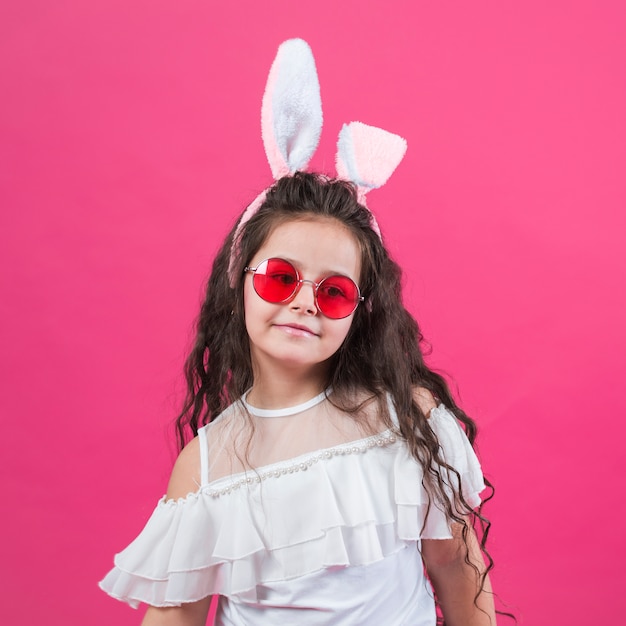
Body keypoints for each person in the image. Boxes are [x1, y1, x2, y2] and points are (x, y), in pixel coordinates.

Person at [100, 39, 498, 626]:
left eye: (333, 291)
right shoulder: (207, 463)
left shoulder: (403, 417)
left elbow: (457, 569)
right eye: (281, 279)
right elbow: (174, 618)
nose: (305, 304)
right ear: (238, 284)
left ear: (359, 312)